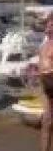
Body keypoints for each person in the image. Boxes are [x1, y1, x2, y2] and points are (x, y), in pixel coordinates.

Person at [39, 14, 53, 151]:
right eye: (48, 24)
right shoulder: (44, 46)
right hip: (46, 87)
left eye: (51, 25)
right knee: (46, 123)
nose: (48, 27)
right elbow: (41, 65)